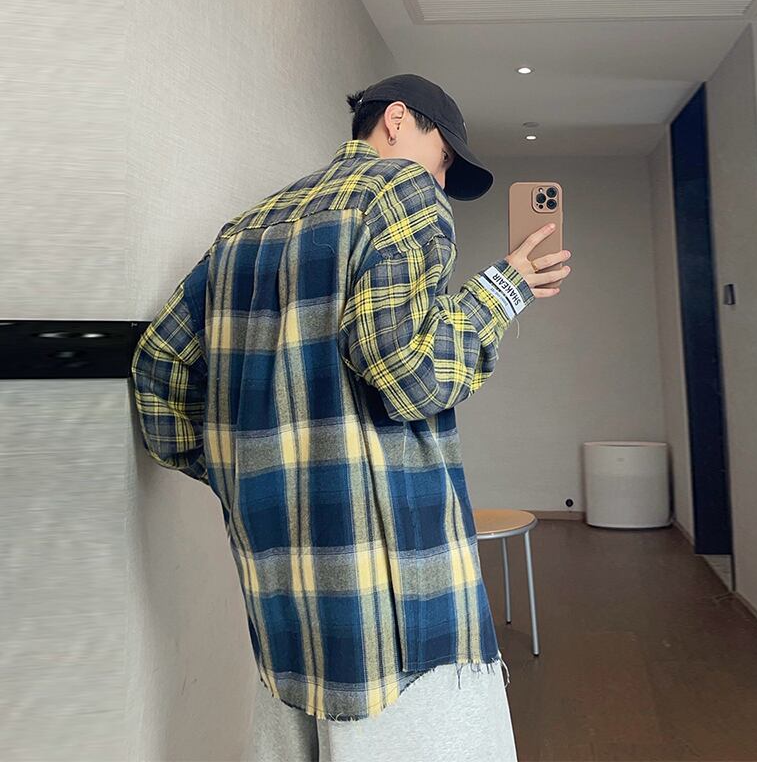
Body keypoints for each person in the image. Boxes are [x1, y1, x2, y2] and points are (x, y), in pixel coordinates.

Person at [130, 73, 572, 761]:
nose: (441, 177)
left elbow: (159, 367)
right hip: (396, 600)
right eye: (444, 156)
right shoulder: (401, 191)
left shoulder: (245, 228)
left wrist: (243, 471)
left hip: (282, 599)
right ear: (396, 120)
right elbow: (410, 373)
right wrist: (503, 291)